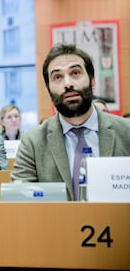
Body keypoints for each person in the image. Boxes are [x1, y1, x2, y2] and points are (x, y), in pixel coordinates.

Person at [11, 43, 130, 201]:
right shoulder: (32, 142)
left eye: (75, 73)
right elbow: (19, 201)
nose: (68, 84)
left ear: (92, 80)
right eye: (57, 77)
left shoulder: (126, 131)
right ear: (49, 88)